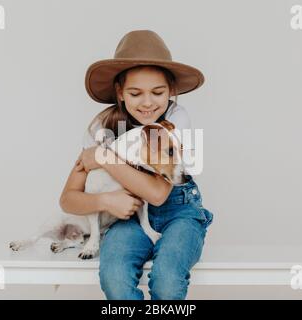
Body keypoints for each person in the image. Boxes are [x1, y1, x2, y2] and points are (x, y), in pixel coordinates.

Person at [59, 30, 213, 300]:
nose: (147, 102)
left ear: (171, 91)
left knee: (167, 280)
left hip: (180, 213)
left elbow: (158, 193)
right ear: (120, 92)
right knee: (115, 276)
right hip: (127, 218)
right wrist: (106, 200)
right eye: (135, 92)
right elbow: (69, 199)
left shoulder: (175, 119)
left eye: (158, 92)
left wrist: (104, 157)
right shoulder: (101, 127)